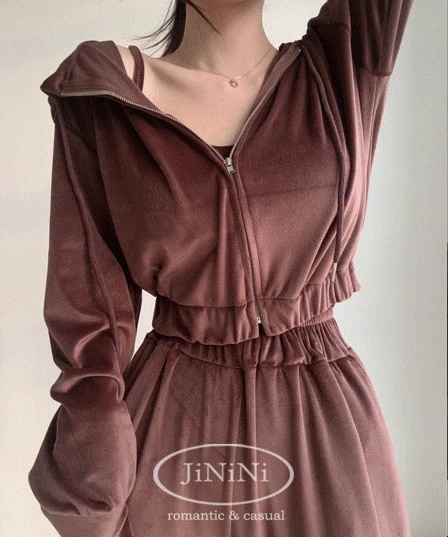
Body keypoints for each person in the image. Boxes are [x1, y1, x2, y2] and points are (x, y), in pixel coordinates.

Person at [28, 1, 415, 536]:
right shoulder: (103, 98)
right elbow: (88, 310)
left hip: (324, 429)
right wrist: (96, 483)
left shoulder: (343, 67)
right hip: (176, 423)